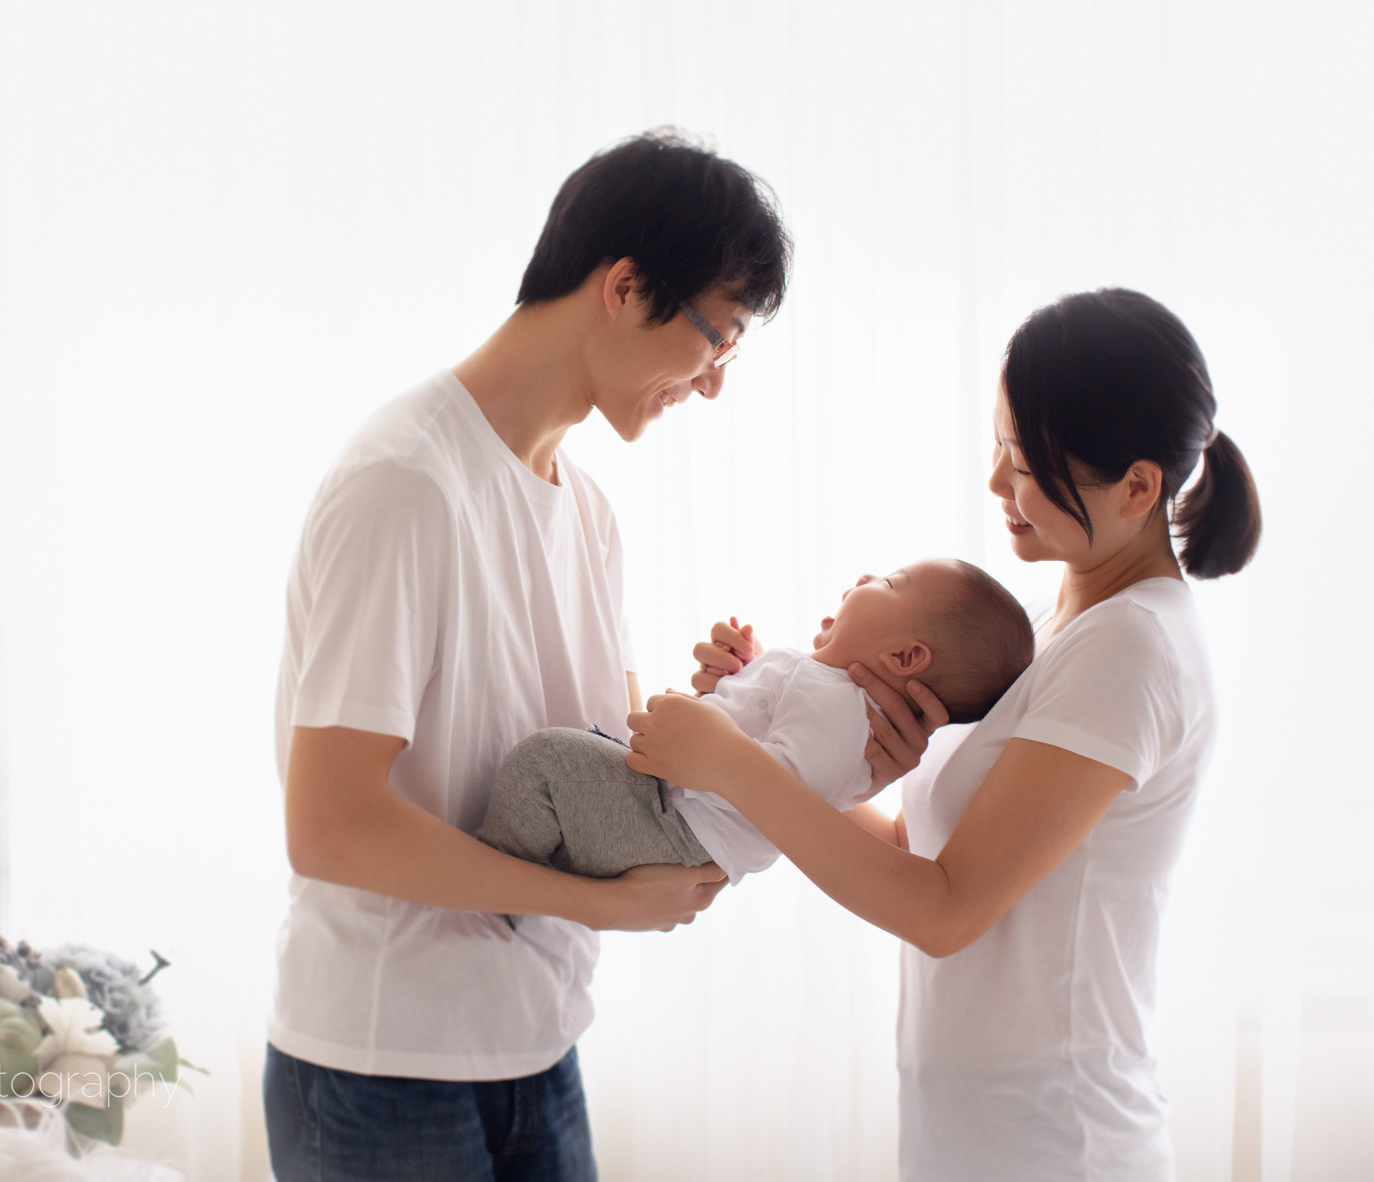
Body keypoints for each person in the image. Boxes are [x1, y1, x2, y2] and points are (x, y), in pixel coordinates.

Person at [624, 287, 1260, 1181]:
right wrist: (767, 720)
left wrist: (731, 765)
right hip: (980, 1132)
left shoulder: (1133, 645)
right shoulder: (1052, 625)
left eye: (1026, 461)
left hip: (1057, 1143)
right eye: (1000, 445)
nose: (998, 483)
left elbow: (945, 910)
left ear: (1140, 486)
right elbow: (914, 855)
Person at [266, 131, 793, 1181]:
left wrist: (716, 717)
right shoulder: (407, 482)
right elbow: (328, 826)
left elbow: (589, 769)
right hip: (386, 1060)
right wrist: (604, 906)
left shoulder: (584, 508)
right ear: (625, 286)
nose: (716, 382)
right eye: (718, 337)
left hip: (537, 1041)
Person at [477, 558, 1033, 889]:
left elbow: (781, 793)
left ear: (906, 658)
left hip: (677, 823)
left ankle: (498, 877)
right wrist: (747, 680)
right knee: (566, 758)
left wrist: (702, 746)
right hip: (674, 809)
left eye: (888, 583)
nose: (865, 576)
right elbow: (784, 753)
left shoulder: (841, 707)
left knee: (544, 762)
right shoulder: (827, 693)